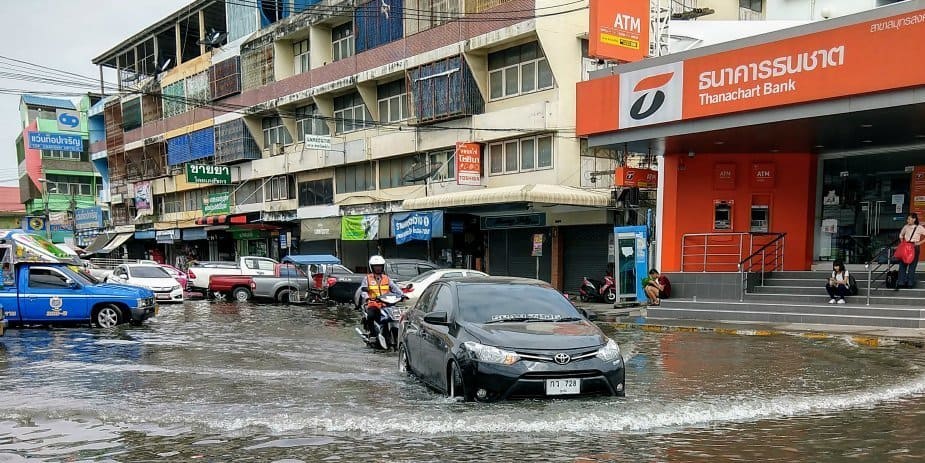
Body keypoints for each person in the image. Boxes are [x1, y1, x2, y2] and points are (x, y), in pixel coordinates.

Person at [359, 255, 403, 336]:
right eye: (376, 266)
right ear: (372, 267)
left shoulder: (387, 278)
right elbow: (363, 291)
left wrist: (402, 296)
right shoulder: (367, 278)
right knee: (371, 316)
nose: (378, 268)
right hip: (373, 303)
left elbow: (396, 289)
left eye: (379, 266)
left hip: (387, 304)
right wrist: (368, 298)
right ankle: (372, 334)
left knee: (396, 317)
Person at [896, 213, 925, 290]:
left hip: (915, 247)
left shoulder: (919, 227)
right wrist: (902, 243)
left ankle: (910, 283)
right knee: (902, 265)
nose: (907, 220)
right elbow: (901, 235)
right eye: (907, 219)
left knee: (912, 266)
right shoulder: (906, 227)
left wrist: (919, 243)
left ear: (914, 219)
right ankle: (901, 282)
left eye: (909, 219)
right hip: (906, 247)